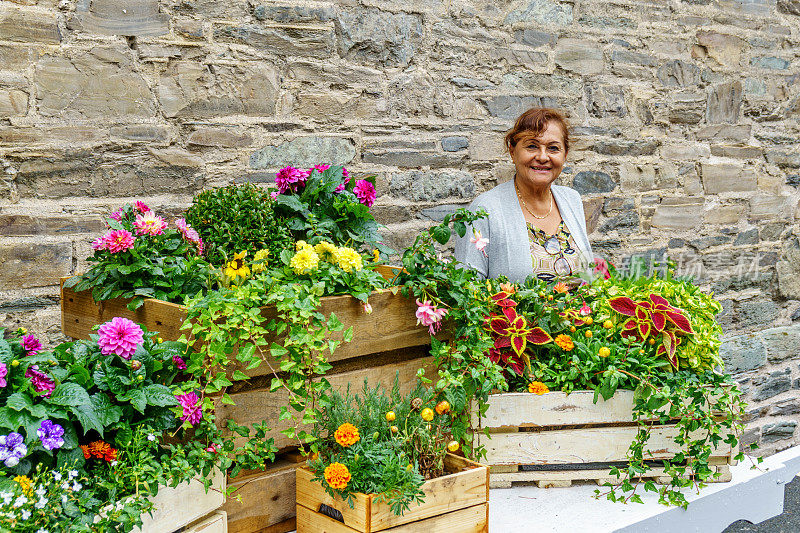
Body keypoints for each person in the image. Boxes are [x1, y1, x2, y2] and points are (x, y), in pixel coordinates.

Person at [455, 107, 593, 283]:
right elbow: (466, 289)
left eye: (553, 148)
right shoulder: (484, 210)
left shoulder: (571, 200)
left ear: (565, 154)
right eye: (532, 146)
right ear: (512, 151)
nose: (543, 157)